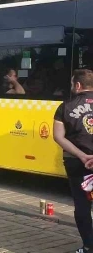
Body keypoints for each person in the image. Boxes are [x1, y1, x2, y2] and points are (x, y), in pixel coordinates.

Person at [53, 69, 93, 253]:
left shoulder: (65, 107)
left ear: (78, 85)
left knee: (82, 205)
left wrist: (82, 155)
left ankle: (88, 247)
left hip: (77, 163)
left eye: (71, 84)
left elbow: (58, 137)